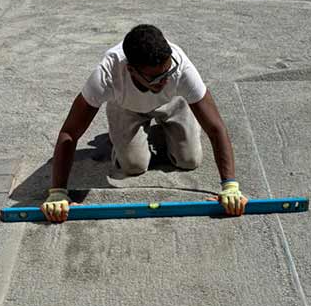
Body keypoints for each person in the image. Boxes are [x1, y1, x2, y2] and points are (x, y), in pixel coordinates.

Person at [42, 24, 248, 223]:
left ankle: (163, 129)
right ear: (131, 70)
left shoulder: (180, 66)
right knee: (134, 165)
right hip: (125, 106)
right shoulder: (107, 73)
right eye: (155, 78)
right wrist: (58, 192)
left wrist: (229, 185)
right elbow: (69, 132)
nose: (164, 80)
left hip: (173, 102)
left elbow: (215, 127)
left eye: (167, 73)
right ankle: (120, 136)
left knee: (189, 160)